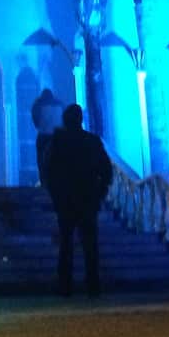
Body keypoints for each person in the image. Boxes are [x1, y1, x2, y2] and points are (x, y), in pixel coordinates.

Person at [43, 103, 113, 297]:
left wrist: (56, 196)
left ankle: (65, 284)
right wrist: (99, 192)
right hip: (87, 199)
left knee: (66, 243)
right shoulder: (91, 141)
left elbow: (49, 172)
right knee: (89, 244)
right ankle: (92, 283)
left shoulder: (58, 142)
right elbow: (106, 170)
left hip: (67, 200)